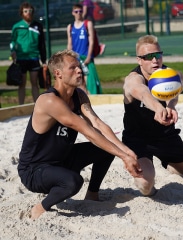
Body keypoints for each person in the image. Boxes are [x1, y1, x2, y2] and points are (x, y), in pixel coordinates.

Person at [18, 49, 142, 220]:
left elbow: (97, 124)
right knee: (73, 182)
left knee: (107, 150)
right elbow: (87, 131)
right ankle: (41, 207)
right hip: (35, 170)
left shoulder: (79, 95)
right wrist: (123, 156)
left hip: (62, 159)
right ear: (58, 74)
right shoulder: (49, 100)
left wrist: (125, 151)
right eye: (73, 68)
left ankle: (92, 194)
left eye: (79, 67)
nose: (79, 70)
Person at [122, 35, 183, 196]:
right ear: (139, 60)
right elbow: (141, 92)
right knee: (145, 186)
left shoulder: (170, 75)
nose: (155, 60)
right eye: (148, 57)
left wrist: (170, 106)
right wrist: (157, 107)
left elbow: (176, 88)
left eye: (158, 55)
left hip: (165, 136)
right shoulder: (133, 79)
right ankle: (148, 171)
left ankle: (169, 164)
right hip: (138, 139)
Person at [10, 2, 47, 105]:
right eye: (25, 11)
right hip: (21, 58)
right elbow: (12, 41)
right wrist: (12, 51)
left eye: (30, 11)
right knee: (21, 83)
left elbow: (42, 44)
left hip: (34, 58)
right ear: (22, 13)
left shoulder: (38, 26)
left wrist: (43, 60)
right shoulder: (16, 27)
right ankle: (20, 106)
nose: (28, 13)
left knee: (35, 83)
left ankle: (37, 106)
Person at [67, 3, 102, 95]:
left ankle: (91, 97)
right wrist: (68, 57)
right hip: (76, 57)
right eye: (76, 11)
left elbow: (91, 41)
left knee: (89, 80)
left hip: (86, 56)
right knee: (77, 79)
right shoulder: (70, 27)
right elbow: (69, 44)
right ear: (73, 13)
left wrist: (89, 56)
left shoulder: (87, 24)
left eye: (80, 11)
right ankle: (81, 98)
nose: (78, 13)